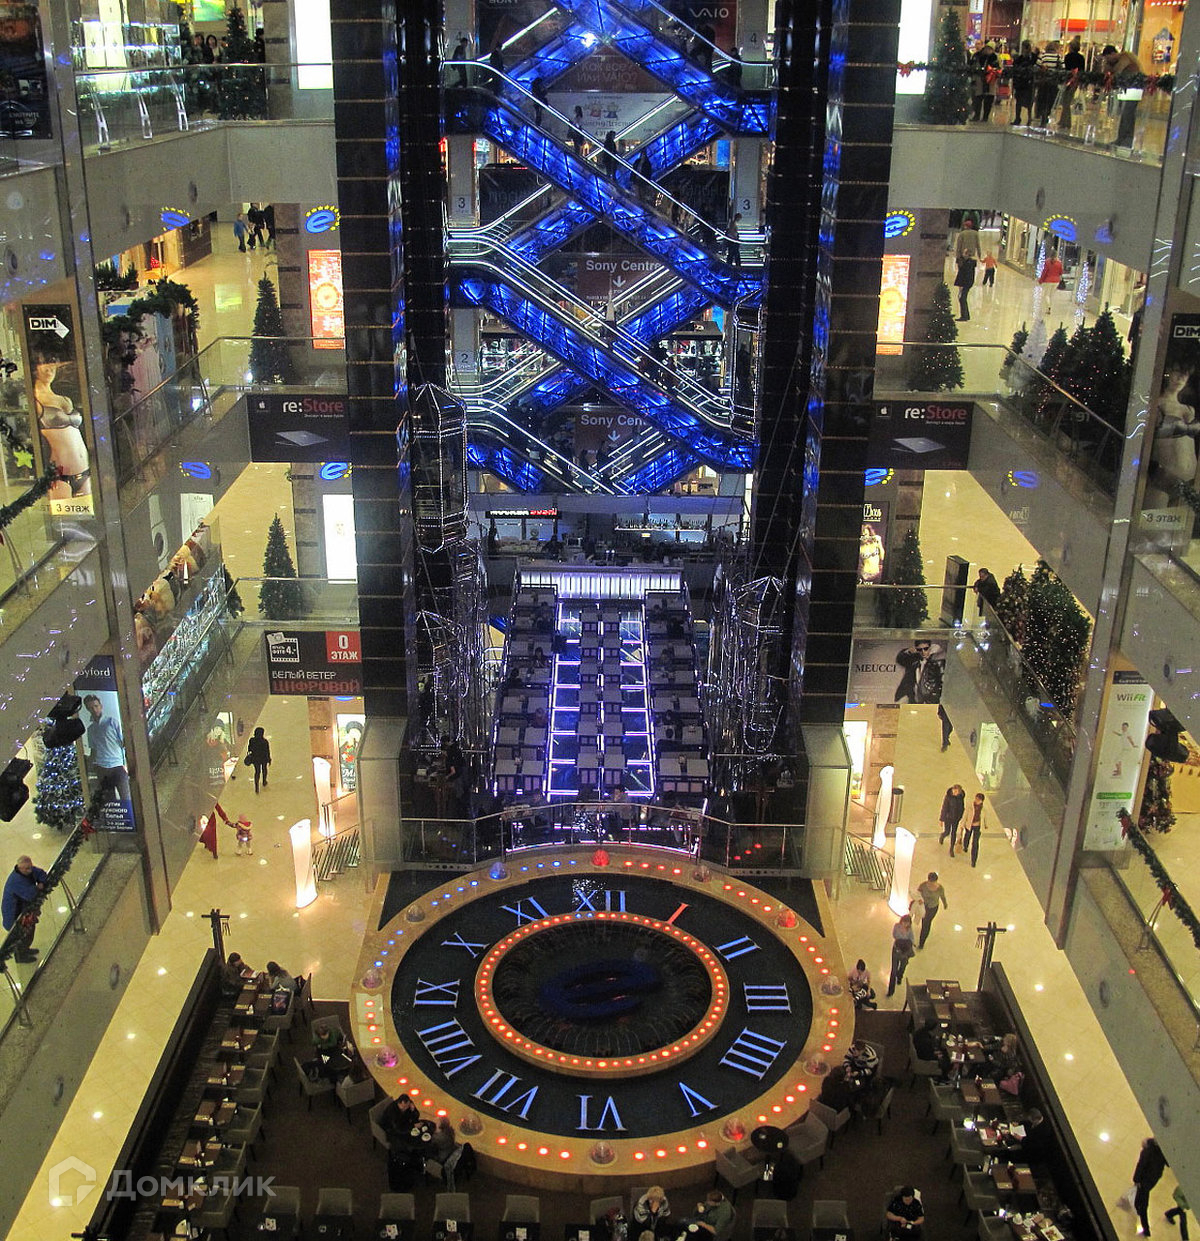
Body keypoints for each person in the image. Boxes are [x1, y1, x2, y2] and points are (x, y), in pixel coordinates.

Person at [83, 694, 131, 809]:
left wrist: (126, 763)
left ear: (101, 706)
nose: (94, 710)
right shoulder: (91, 729)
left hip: (117, 766)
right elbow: (93, 750)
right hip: (102, 768)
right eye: (91, 708)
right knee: (110, 800)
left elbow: (124, 743)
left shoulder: (112, 722)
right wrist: (90, 766)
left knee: (126, 798)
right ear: (88, 709)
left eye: (96, 706)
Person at [2, 855, 48, 964]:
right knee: (22, 936)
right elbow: (30, 894)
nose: (30, 870)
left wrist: (41, 882)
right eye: (27, 869)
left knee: (29, 932)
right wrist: (38, 887)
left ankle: (26, 949)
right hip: (15, 916)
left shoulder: (29, 871)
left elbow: (41, 873)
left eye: (30, 867)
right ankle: (21, 957)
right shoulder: (15, 881)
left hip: (25, 911)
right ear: (20, 868)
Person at [1103, 45, 1143, 148]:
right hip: (1128, 88)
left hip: (1133, 88)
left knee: (1128, 114)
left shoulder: (1125, 57)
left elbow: (1117, 71)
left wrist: (1109, 66)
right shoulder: (1121, 60)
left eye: (1108, 58)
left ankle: (1126, 140)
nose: (1107, 60)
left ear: (1113, 53)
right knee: (1126, 114)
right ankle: (1122, 139)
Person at [1133, 1137, 1168, 1237]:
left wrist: (1136, 1179)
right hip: (1152, 1179)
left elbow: (1140, 1165)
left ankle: (1137, 1208)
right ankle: (1138, 1208)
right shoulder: (1159, 1150)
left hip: (1146, 1180)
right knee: (1142, 1198)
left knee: (1141, 1196)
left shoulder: (1147, 1151)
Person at [894, 639, 944, 704]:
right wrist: (909, 651)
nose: (923, 652)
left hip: (930, 699)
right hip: (914, 699)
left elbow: (941, 681)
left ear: (930, 648)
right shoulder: (913, 662)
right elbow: (900, 659)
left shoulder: (936, 661)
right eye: (919, 650)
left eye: (925, 649)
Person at [1035, 41, 1063, 126]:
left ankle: (1042, 114)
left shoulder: (1042, 56)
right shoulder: (1058, 57)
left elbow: (1036, 67)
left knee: (1042, 98)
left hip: (1043, 82)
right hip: (1053, 82)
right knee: (1050, 99)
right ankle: (1047, 113)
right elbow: (1062, 68)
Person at [969, 43, 1000, 122]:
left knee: (988, 100)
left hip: (990, 81)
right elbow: (971, 65)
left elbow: (997, 68)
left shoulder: (994, 57)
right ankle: (977, 115)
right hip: (979, 79)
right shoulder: (977, 56)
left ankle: (985, 116)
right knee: (977, 98)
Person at [887, 912, 915, 997]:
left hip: (905, 952)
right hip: (896, 950)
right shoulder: (897, 926)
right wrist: (903, 937)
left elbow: (912, 939)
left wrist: (906, 941)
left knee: (902, 967)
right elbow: (894, 935)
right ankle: (891, 991)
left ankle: (899, 977)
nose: (905, 924)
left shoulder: (910, 930)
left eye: (907, 923)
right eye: (904, 922)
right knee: (893, 971)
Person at [1060, 37, 1085, 130]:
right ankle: (1063, 120)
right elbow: (1082, 70)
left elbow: (1066, 68)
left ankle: (1066, 121)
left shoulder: (1068, 56)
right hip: (1076, 80)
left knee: (1066, 101)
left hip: (1069, 79)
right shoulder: (1081, 57)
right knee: (1067, 99)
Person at [916, 871, 947, 948]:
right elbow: (918, 893)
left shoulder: (940, 888)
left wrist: (945, 904)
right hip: (924, 906)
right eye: (930, 882)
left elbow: (942, 897)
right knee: (924, 922)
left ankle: (922, 942)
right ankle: (923, 936)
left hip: (933, 908)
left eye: (933, 882)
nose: (931, 884)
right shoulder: (923, 885)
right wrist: (918, 899)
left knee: (926, 923)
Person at [1011, 40, 1037, 125]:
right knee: (1019, 101)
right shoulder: (1019, 58)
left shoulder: (1034, 57)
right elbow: (1015, 68)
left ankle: (1029, 118)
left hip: (1029, 82)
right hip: (1021, 83)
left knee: (1029, 101)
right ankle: (1018, 118)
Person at [961, 793, 989, 866]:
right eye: (976, 798)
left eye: (978, 800)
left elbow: (985, 817)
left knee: (975, 843)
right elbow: (965, 814)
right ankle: (965, 846)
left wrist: (986, 824)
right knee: (967, 836)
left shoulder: (984, 809)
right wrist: (962, 823)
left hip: (978, 827)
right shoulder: (970, 805)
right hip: (969, 825)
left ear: (982, 801)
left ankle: (973, 860)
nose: (976, 800)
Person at [939, 784, 966, 855]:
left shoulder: (961, 797)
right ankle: (942, 836)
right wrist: (942, 819)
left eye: (956, 791)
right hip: (948, 818)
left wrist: (962, 817)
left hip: (956, 819)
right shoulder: (948, 797)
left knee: (954, 833)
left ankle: (951, 849)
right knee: (947, 832)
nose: (954, 793)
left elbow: (962, 807)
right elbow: (944, 808)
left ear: (959, 792)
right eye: (954, 791)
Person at [246, 726, 271, 792]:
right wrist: (269, 759)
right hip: (263, 758)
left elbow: (249, 749)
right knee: (264, 770)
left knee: (257, 772)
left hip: (255, 758)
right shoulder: (264, 741)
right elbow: (267, 751)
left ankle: (256, 787)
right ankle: (264, 781)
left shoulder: (252, 740)